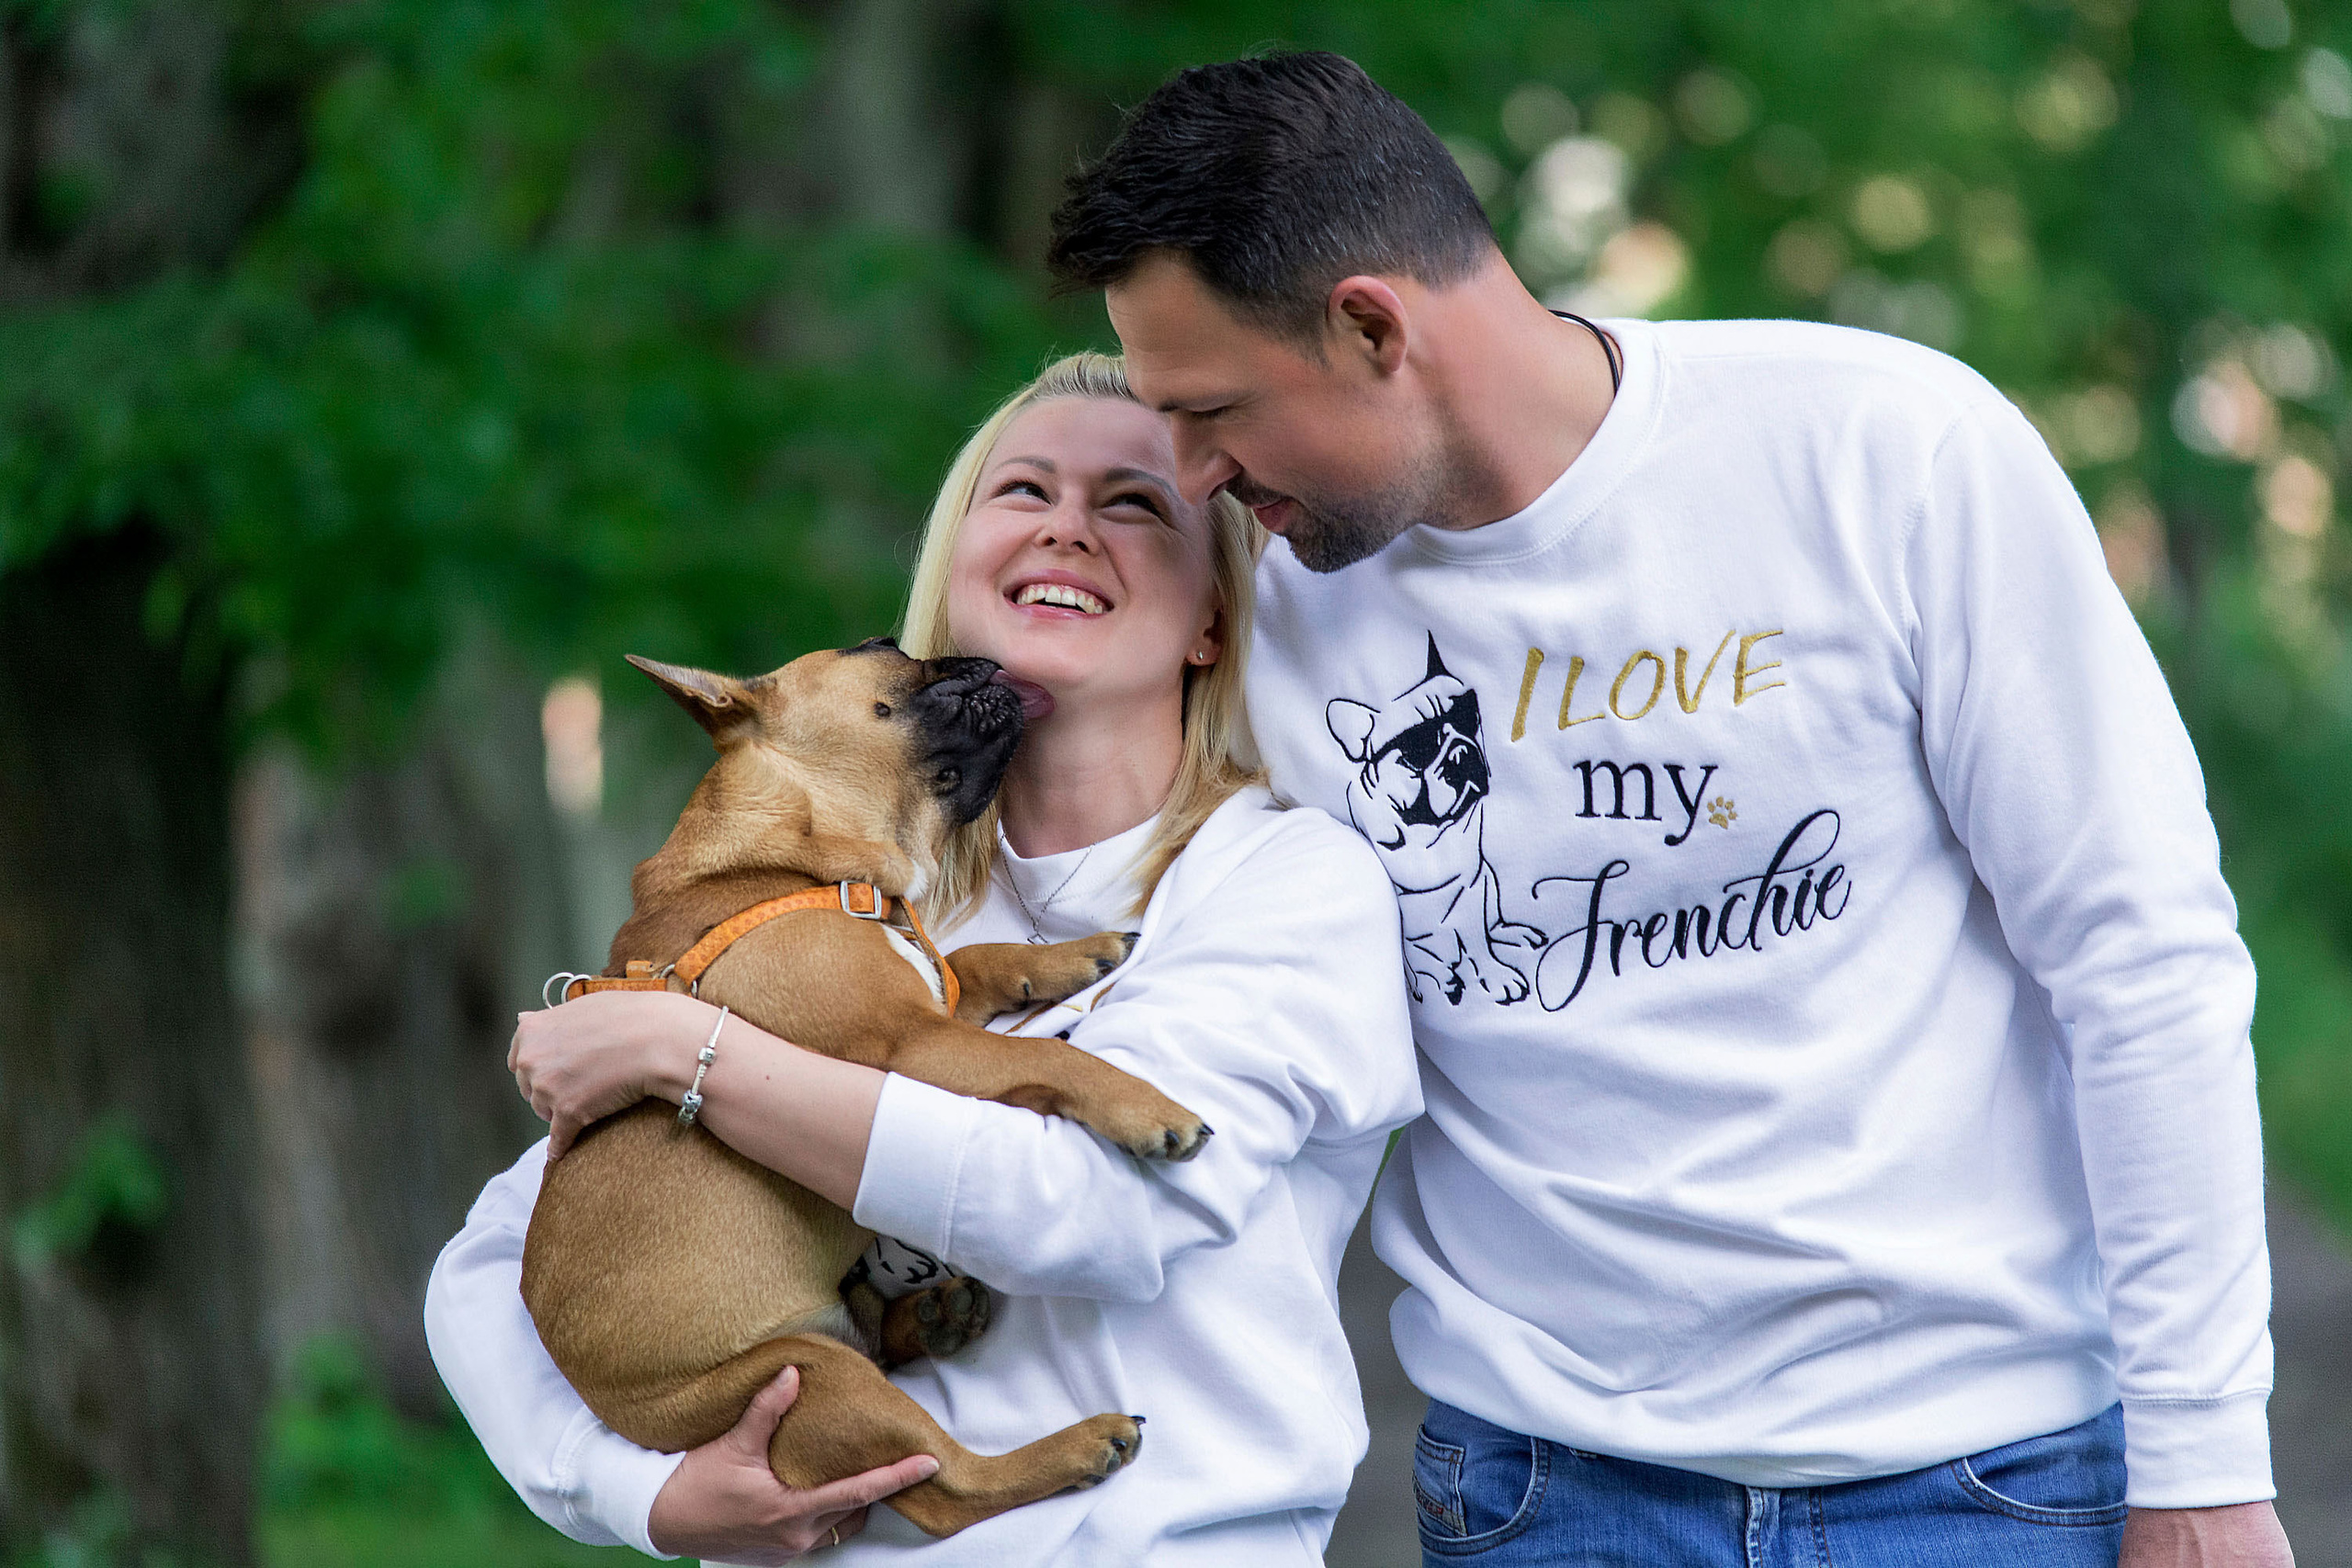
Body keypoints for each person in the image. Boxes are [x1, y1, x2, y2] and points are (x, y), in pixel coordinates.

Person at [1043, 51, 2294, 1568]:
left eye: (1212, 409)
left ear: (1371, 325)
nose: (1185, 471)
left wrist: (2208, 1462)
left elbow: (2142, 959)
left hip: (1985, 1484)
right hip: (1547, 1500)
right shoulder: (1255, 608)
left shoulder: (1884, 452)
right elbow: (1060, 957)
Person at [424, 352, 1422, 1564]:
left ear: (1214, 615)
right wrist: (636, 1497)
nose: (1067, 528)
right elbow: (495, 1265)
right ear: (952, 581)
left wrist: (690, 1050)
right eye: (1024, 492)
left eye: (1131, 503)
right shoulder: (837, 906)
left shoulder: (1290, 887)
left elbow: (1095, 1208)